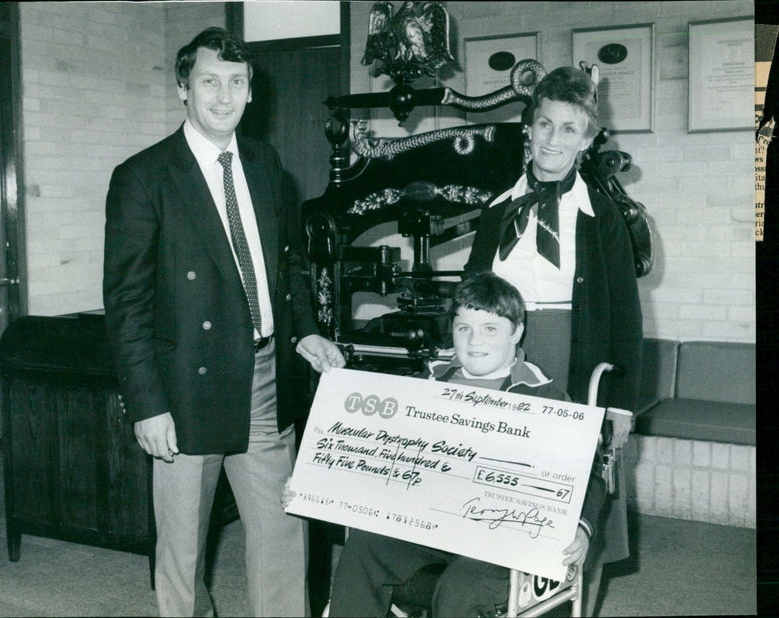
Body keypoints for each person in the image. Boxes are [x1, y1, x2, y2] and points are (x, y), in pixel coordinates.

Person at [102, 27, 345, 617]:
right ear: (184, 88)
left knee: (282, 537)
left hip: (265, 374)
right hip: (184, 390)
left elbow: (287, 264)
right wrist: (146, 403)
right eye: (209, 81)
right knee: (182, 549)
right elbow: (126, 302)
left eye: (236, 82)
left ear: (251, 92)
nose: (223, 95)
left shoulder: (266, 164)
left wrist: (305, 329)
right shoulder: (144, 176)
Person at [324, 271, 608, 617]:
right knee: (364, 546)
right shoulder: (425, 384)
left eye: (490, 329)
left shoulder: (546, 397)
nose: (475, 341)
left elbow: (590, 476)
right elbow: (376, 453)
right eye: (464, 328)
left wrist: (581, 527)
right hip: (432, 527)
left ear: (516, 332)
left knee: (462, 586)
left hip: (502, 541)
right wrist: (318, 484)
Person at [464, 66, 643, 615]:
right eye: (544, 124)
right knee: (499, 483)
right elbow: (472, 295)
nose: (553, 139)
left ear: (587, 140)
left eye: (569, 129)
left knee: (562, 491)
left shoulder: (600, 215)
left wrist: (620, 405)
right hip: (501, 358)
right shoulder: (498, 210)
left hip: (572, 358)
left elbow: (625, 317)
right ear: (529, 128)